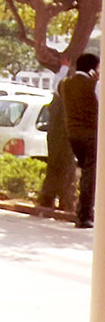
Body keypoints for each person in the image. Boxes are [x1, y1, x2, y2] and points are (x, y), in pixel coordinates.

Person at [62, 53, 100, 228]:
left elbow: (56, 85)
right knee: (90, 176)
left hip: (73, 134)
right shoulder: (94, 86)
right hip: (91, 135)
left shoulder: (66, 84)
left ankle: (84, 211)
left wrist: (63, 69)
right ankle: (84, 214)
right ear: (92, 69)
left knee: (86, 172)